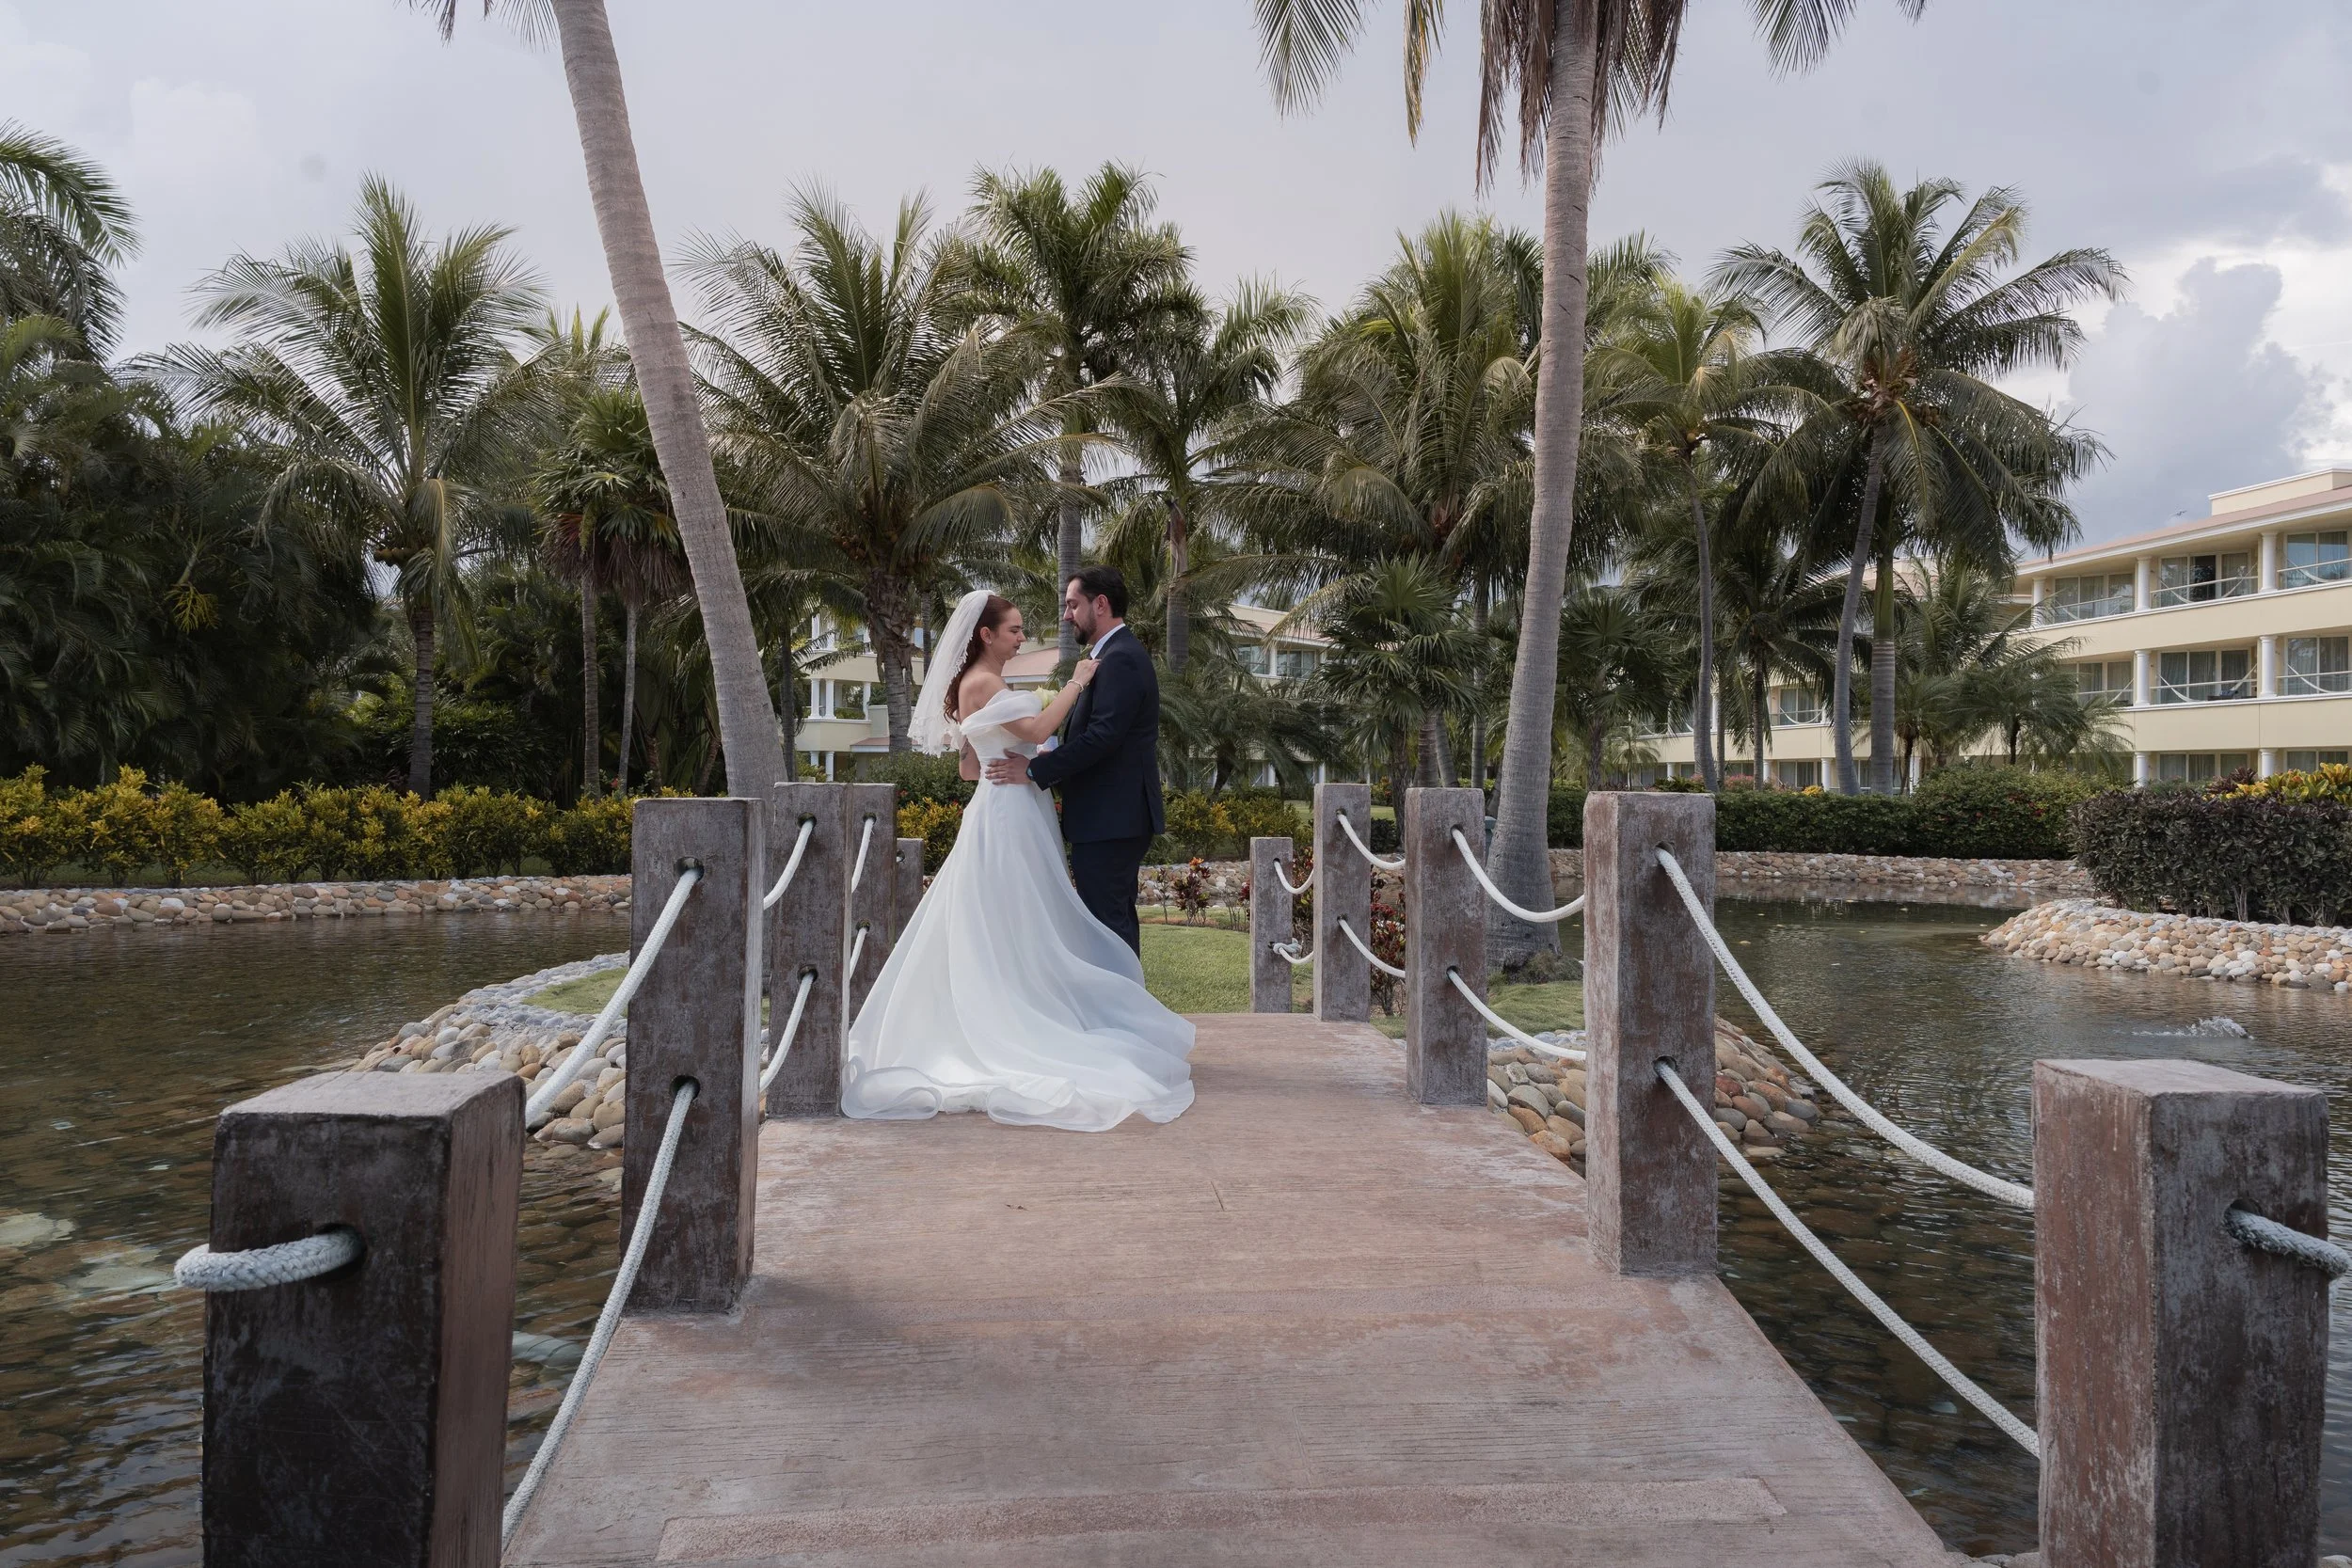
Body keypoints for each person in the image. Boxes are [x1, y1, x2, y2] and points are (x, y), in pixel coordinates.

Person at [840, 588, 1194, 1131]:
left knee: (1016, 917)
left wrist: (1021, 760)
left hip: (1002, 806)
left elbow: (968, 766)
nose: (1022, 636)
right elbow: (1034, 731)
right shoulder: (985, 682)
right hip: (1009, 815)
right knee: (1024, 915)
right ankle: (1032, 1016)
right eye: (1014, 630)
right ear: (986, 635)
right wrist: (1074, 687)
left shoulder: (973, 686)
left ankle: (1054, 1005)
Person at [983, 566, 1162, 956]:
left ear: (1100, 605)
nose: (1066, 615)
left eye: (1072, 604)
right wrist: (1049, 754)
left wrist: (1033, 769)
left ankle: (1123, 1014)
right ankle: (1124, 1011)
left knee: (1106, 925)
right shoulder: (1111, 656)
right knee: (1108, 921)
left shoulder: (1121, 659)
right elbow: (1097, 736)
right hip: (1108, 818)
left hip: (1112, 819)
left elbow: (1104, 737)